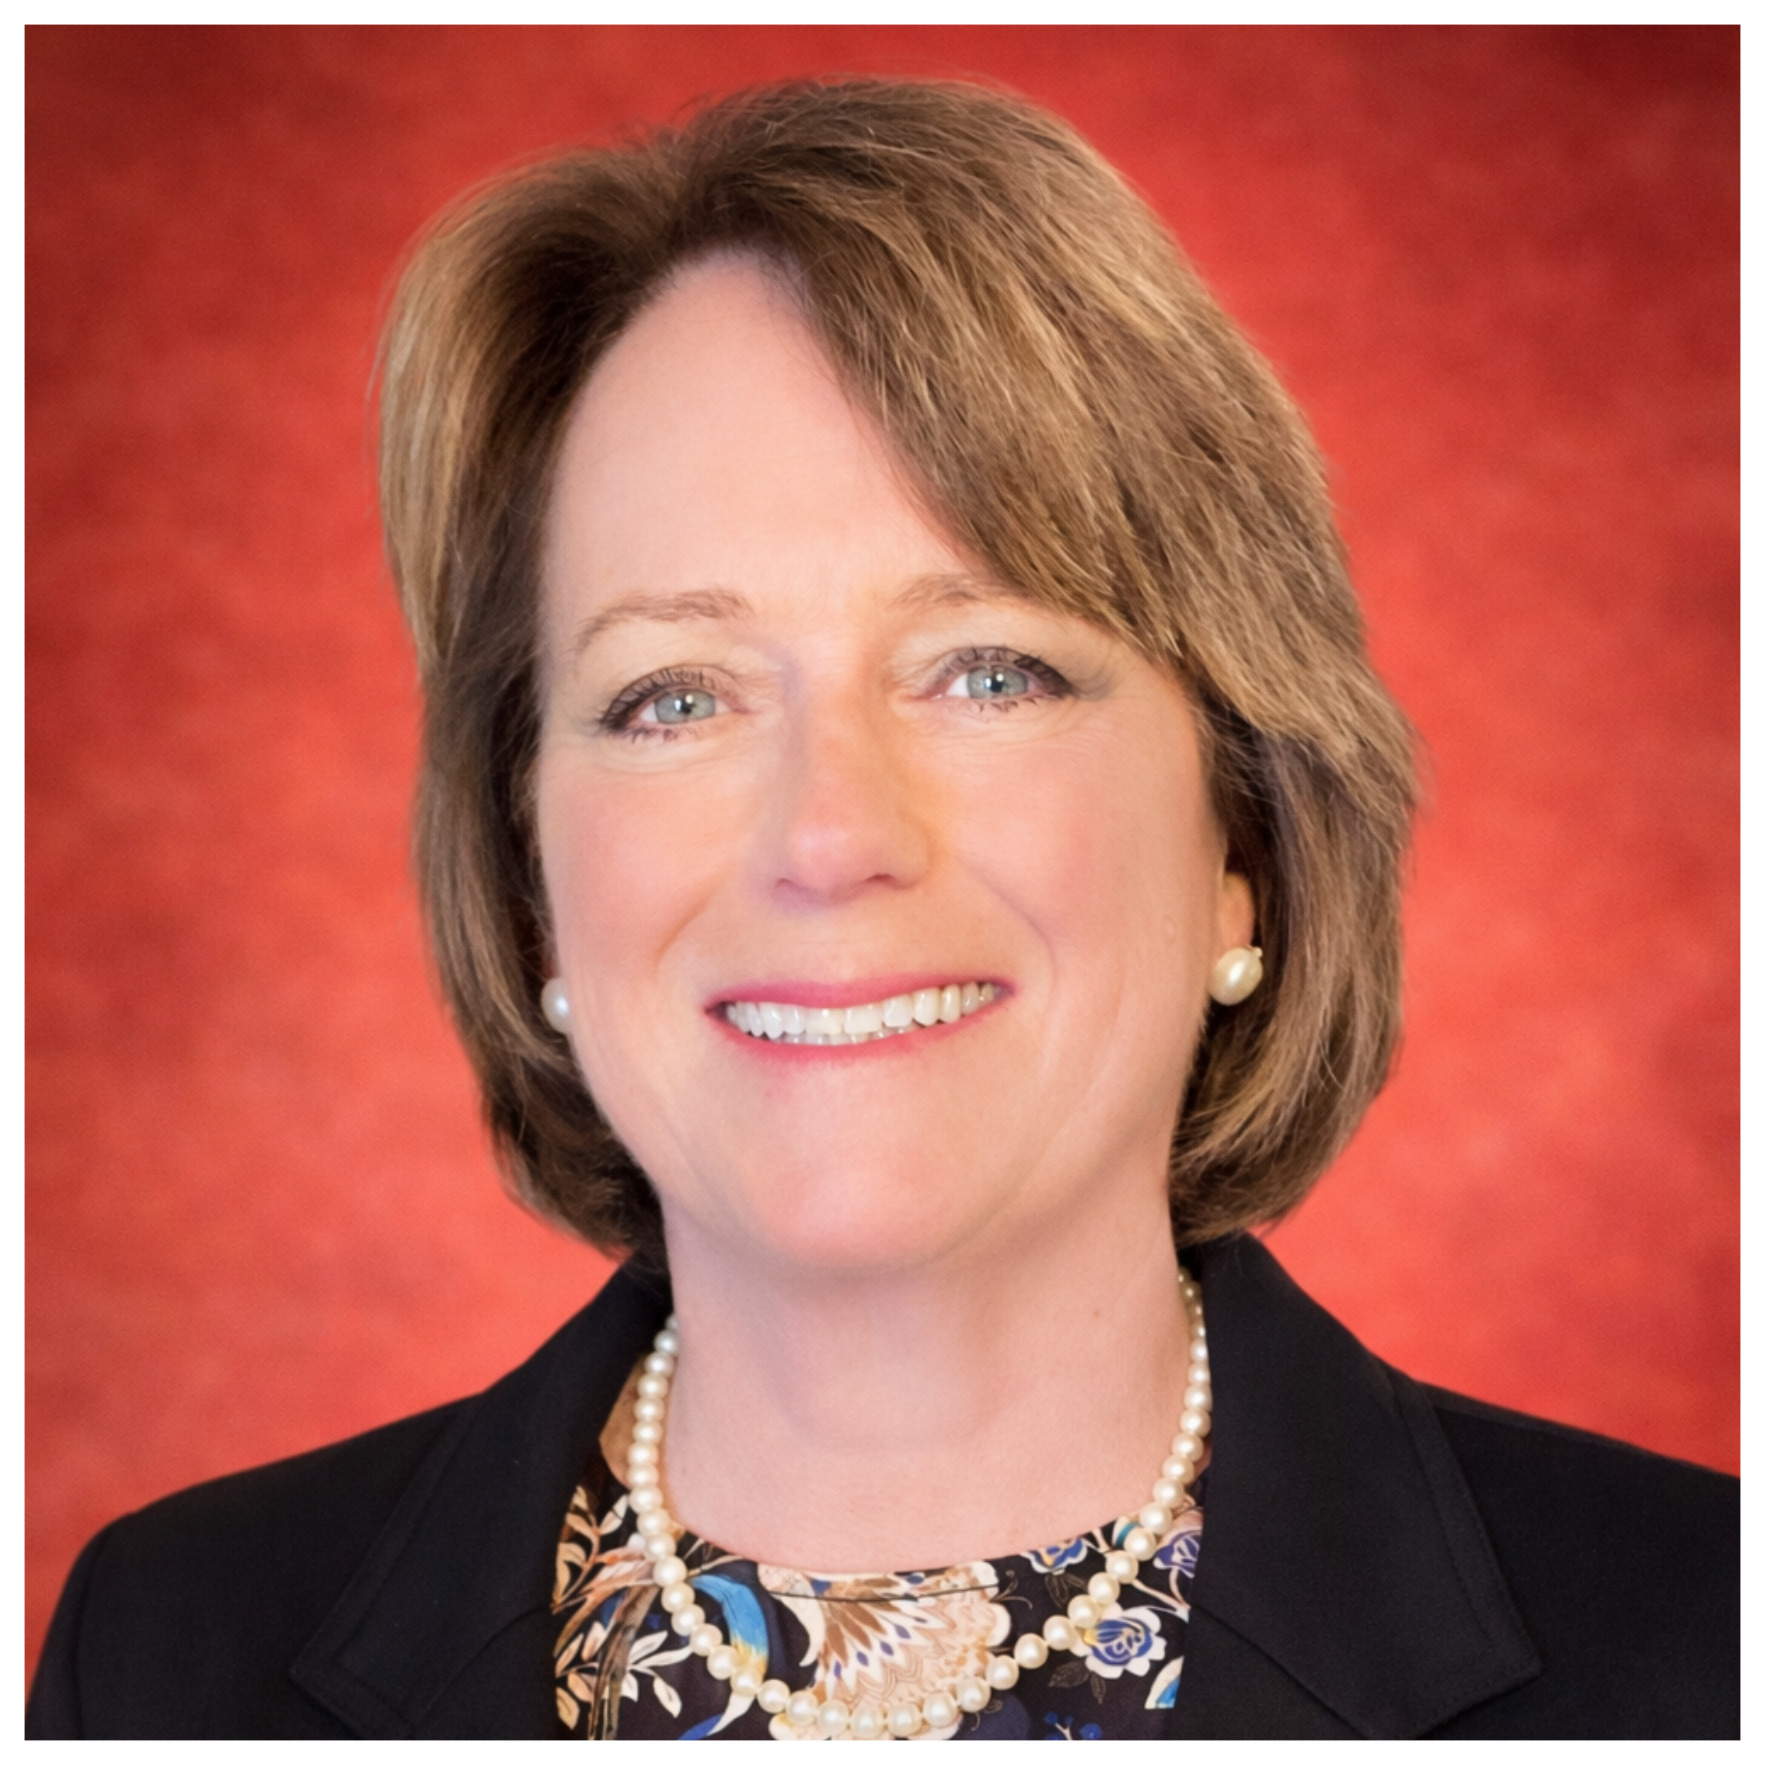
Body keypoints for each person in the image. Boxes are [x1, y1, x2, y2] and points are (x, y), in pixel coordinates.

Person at [27, 77, 1735, 1740]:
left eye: (987, 671)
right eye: (672, 697)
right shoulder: (172, 1663)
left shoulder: (1705, 1648)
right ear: (530, 879)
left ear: (1246, 840)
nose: (829, 834)